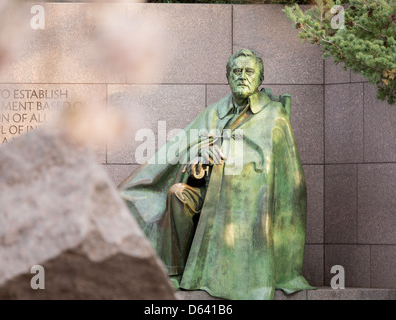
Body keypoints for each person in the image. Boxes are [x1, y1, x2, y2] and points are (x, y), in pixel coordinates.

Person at [119, 48, 314, 300]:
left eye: (249, 71)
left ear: (259, 79)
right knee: (177, 194)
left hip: (246, 203)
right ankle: (173, 272)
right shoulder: (213, 113)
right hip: (204, 192)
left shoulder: (274, 116)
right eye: (236, 71)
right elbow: (181, 150)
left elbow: (285, 176)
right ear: (228, 77)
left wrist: (227, 157)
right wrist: (197, 160)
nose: (242, 76)